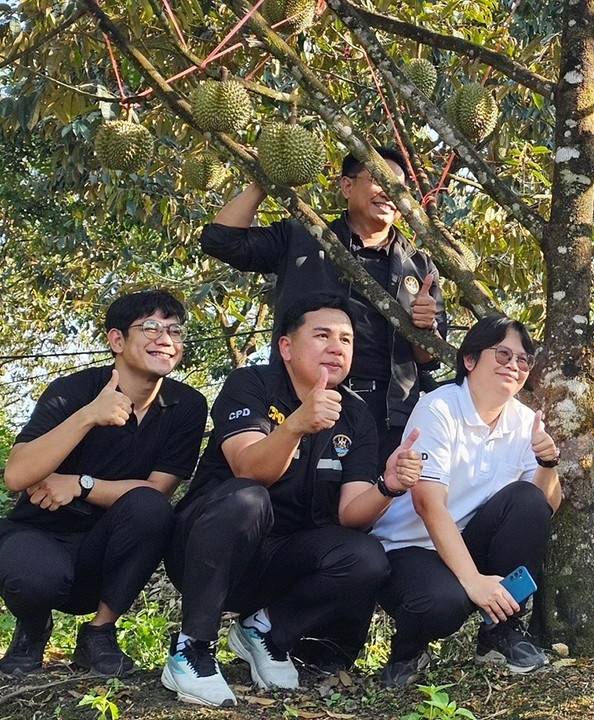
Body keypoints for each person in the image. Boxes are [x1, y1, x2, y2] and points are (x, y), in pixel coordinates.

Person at [201, 146, 446, 668]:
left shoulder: (418, 264)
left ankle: (330, 651)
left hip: (385, 410)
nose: (388, 192)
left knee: (363, 522)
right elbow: (221, 241)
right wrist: (265, 177)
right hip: (302, 398)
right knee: (284, 504)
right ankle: (252, 627)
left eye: (398, 185)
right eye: (376, 178)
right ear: (346, 186)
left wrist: (425, 325)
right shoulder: (306, 235)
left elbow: (429, 356)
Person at [161, 295, 420, 707]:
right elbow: (249, 469)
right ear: (286, 346)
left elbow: (351, 515)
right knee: (248, 498)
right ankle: (191, 647)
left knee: (366, 556)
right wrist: (296, 424)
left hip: (282, 562)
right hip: (207, 551)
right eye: (322, 335)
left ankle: (265, 630)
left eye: (346, 340)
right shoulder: (251, 385)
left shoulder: (355, 416)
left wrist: (387, 487)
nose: (336, 347)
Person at [0, 290, 206, 677]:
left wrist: (80, 484)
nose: (165, 339)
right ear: (116, 340)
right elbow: (17, 474)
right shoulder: (73, 390)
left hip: (108, 547)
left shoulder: (187, 405)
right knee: (31, 575)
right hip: (41, 532)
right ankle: (32, 630)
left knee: (151, 509)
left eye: (175, 331)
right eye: (150, 328)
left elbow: (155, 491)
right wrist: (88, 416)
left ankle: (98, 633)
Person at [372, 316, 562, 687]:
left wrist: (547, 463)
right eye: (503, 354)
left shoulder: (525, 421)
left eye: (523, 360)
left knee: (527, 500)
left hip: (469, 540)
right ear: (470, 360)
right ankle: (408, 651)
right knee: (444, 603)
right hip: (410, 547)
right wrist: (473, 581)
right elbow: (428, 504)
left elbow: (546, 507)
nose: (514, 365)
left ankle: (500, 632)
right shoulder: (439, 409)